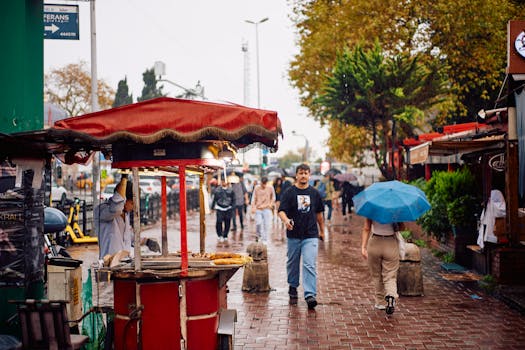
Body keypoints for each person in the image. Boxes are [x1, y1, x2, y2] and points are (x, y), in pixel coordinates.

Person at [278, 163, 325, 310]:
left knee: (309, 263)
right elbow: (281, 210)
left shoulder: (315, 193)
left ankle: (310, 294)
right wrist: (286, 221)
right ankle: (293, 285)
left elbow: (319, 214)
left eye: (306, 173)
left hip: (310, 234)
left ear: (309, 175)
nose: (303, 175)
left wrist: (322, 230)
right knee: (292, 263)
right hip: (294, 234)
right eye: (301, 173)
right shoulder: (289, 192)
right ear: (296, 175)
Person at [95, 176, 160, 260]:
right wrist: (124, 178)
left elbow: (129, 237)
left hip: (124, 262)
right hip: (108, 264)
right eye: (132, 203)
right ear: (124, 200)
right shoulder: (103, 210)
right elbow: (117, 208)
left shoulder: (126, 214)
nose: (133, 207)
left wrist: (146, 241)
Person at [361, 218, 405, 314]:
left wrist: (363, 247)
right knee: (390, 274)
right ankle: (391, 295)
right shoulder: (395, 209)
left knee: (376, 275)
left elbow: (366, 228)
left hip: (374, 242)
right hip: (390, 243)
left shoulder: (372, 207)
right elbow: (401, 228)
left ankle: (380, 302)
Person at [250, 176, 275, 244]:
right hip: (258, 209)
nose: (263, 185)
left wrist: (270, 204)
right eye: (262, 183)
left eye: (265, 184)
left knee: (267, 225)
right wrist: (253, 207)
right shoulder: (257, 188)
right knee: (258, 223)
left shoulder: (270, 187)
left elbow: (273, 197)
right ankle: (258, 236)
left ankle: (265, 239)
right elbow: (253, 198)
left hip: (267, 208)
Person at [210, 179, 235, 243]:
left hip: (228, 208)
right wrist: (212, 208)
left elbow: (233, 199)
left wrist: (233, 208)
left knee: (227, 222)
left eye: (225, 181)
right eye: (222, 181)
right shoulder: (217, 190)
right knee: (219, 222)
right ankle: (219, 235)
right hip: (219, 208)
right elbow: (214, 199)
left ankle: (225, 235)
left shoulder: (231, 190)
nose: (224, 182)